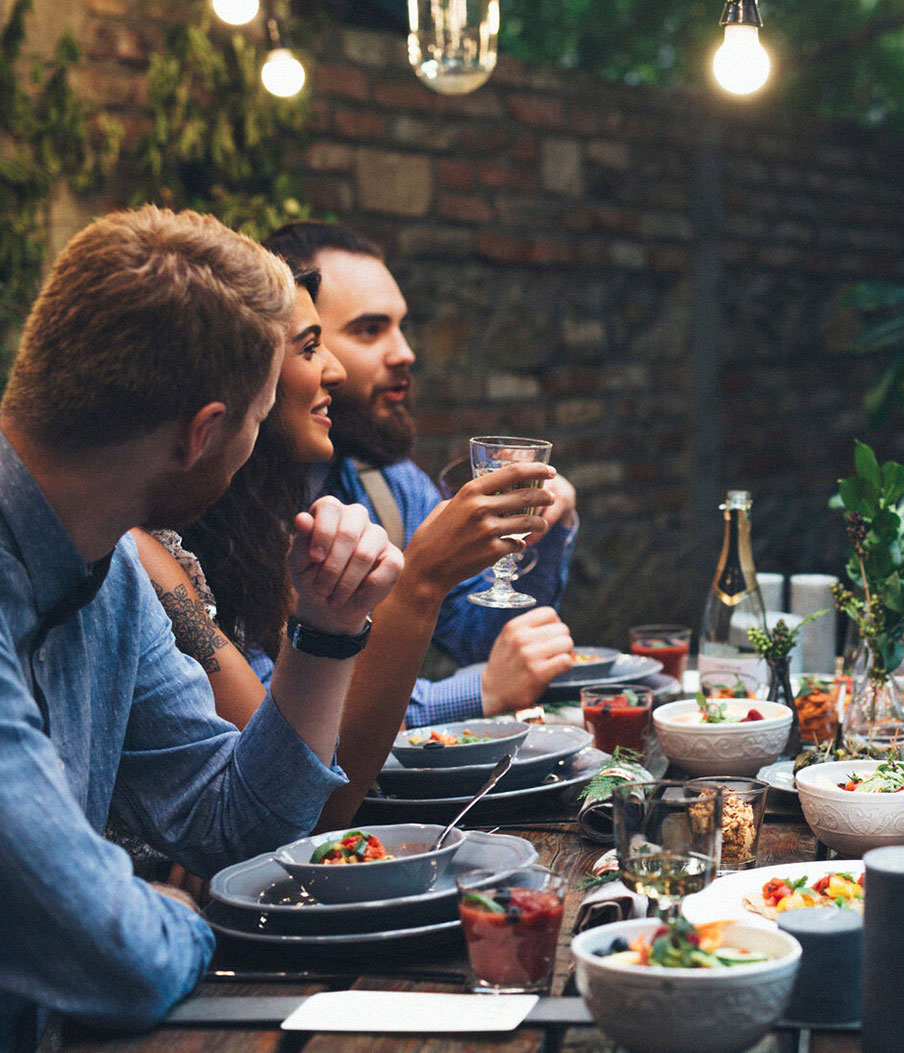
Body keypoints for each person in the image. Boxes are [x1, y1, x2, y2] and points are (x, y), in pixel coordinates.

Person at [0, 207, 401, 1046]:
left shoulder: (106, 569)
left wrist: (327, 631)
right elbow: (116, 957)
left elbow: (230, 825)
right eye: (256, 420)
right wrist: (169, 911)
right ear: (204, 432)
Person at [129, 260, 560, 833]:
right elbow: (293, 797)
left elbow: (274, 786)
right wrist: (417, 583)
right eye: (313, 346)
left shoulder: (292, 513)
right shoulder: (149, 550)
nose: (331, 369)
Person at [262, 220, 580, 726]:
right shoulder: (226, 510)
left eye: (400, 326)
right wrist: (480, 691)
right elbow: (272, 726)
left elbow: (482, 639)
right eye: (369, 329)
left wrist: (542, 529)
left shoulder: (389, 482)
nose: (405, 352)